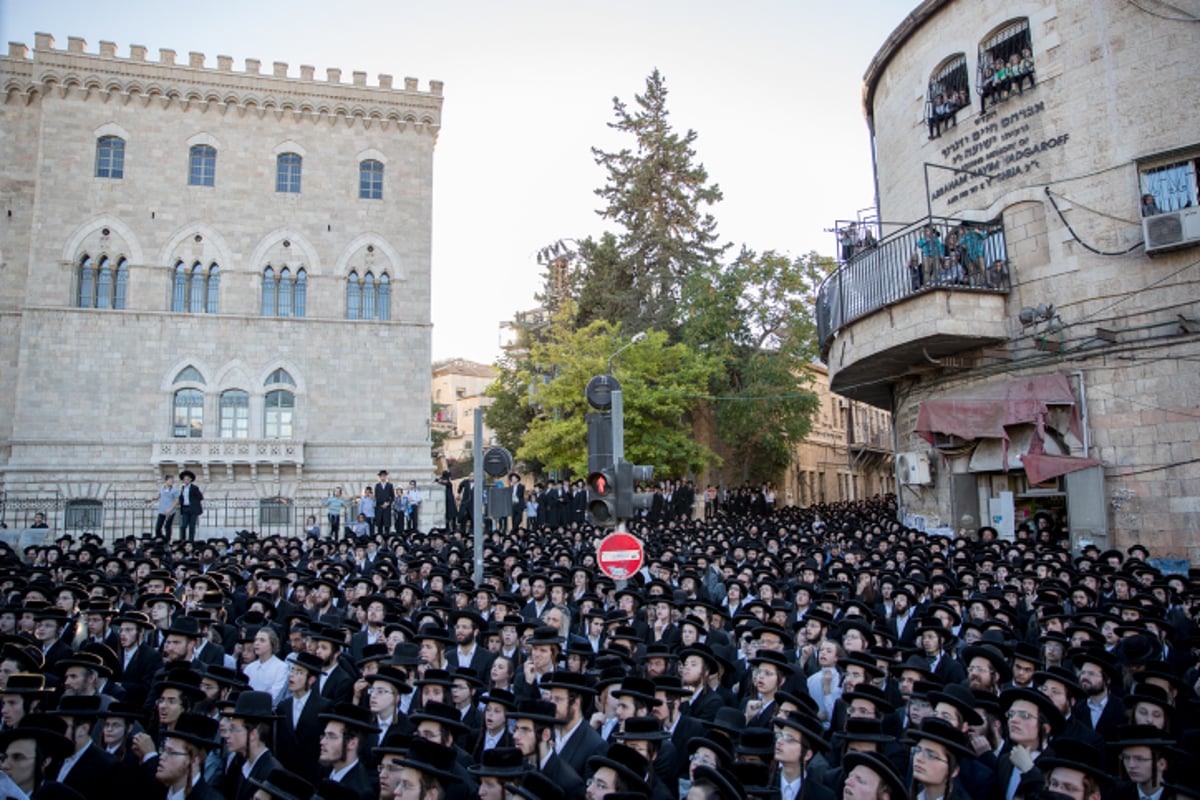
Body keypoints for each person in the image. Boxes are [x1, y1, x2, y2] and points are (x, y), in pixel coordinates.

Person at [177, 470, 203, 542]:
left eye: (187, 479)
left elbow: (200, 497)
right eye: (184, 479)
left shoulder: (194, 488)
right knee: (183, 525)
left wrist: (194, 502)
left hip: (192, 509)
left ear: (190, 480)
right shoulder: (183, 488)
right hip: (185, 508)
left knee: (192, 526)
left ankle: (191, 540)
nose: (186, 481)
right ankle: (182, 539)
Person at [155, 474, 180, 540]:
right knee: (158, 527)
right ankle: (159, 539)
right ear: (166, 481)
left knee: (167, 526)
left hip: (170, 511)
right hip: (162, 510)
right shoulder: (161, 488)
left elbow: (177, 500)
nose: (172, 482)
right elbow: (157, 496)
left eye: (172, 480)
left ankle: (167, 540)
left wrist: (170, 509)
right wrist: (150, 499)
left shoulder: (174, 490)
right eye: (170, 480)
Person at [373, 471, 395, 537]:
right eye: (381, 476)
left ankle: (387, 537)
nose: (383, 477)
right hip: (379, 507)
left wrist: (388, 503)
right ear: (380, 477)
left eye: (384, 476)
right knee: (380, 525)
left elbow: (392, 496)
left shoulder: (389, 485)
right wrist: (380, 504)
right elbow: (376, 497)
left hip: (387, 507)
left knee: (387, 525)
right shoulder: (377, 486)